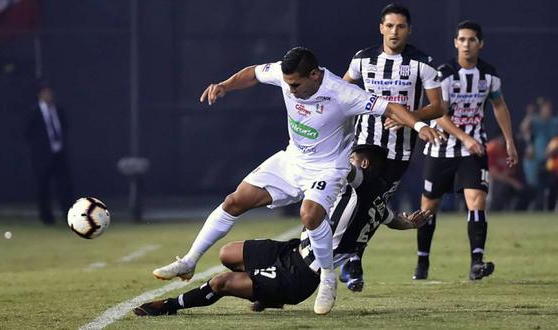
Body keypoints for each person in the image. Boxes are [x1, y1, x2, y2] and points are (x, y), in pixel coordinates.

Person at [151, 47, 443, 315]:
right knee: (234, 201)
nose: (290, 90)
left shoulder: (341, 92)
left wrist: (418, 124)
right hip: (292, 160)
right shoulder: (285, 74)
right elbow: (253, 73)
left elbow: (389, 107)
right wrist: (225, 86)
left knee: (310, 213)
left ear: (314, 75)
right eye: (287, 84)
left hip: (328, 168)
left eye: (295, 85)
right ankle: (189, 261)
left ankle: (328, 277)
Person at [134, 145, 432, 317]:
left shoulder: (362, 182)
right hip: (292, 249)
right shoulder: (376, 197)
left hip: (301, 275)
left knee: (222, 282)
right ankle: (269, 296)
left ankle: (171, 306)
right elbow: (391, 218)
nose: (345, 162)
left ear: (363, 164)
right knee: (228, 253)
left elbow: (343, 167)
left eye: (352, 158)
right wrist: (410, 222)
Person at [339, 3, 445, 290]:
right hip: (366, 142)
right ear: (381, 28)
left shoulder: (422, 62)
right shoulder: (362, 59)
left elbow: (438, 106)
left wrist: (409, 119)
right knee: (357, 196)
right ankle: (349, 261)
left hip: (401, 149)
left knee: (375, 204)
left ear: (409, 30)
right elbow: (341, 90)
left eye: (400, 26)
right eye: (390, 25)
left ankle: (350, 257)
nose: (394, 31)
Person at [414, 21, 519, 281]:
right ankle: (422, 262)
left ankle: (476, 262)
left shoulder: (489, 75)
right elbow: (438, 114)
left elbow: (499, 106)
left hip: (473, 151)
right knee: (429, 206)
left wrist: (509, 141)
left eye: (472, 40)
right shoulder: (445, 74)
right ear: (455, 43)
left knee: (477, 201)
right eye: (462, 39)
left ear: (480, 44)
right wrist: (463, 137)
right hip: (441, 149)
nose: (467, 44)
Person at [25, 84, 74, 225]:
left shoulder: (58, 110)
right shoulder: (33, 112)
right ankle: (46, 217)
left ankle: (68, 216)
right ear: (40, 95)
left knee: (65, 185)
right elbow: (28, 133)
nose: (49, 96)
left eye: (50, 93)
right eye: (45, 93)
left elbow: (64, 127)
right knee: (43, 186)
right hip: (42, 156)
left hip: (59, 153)